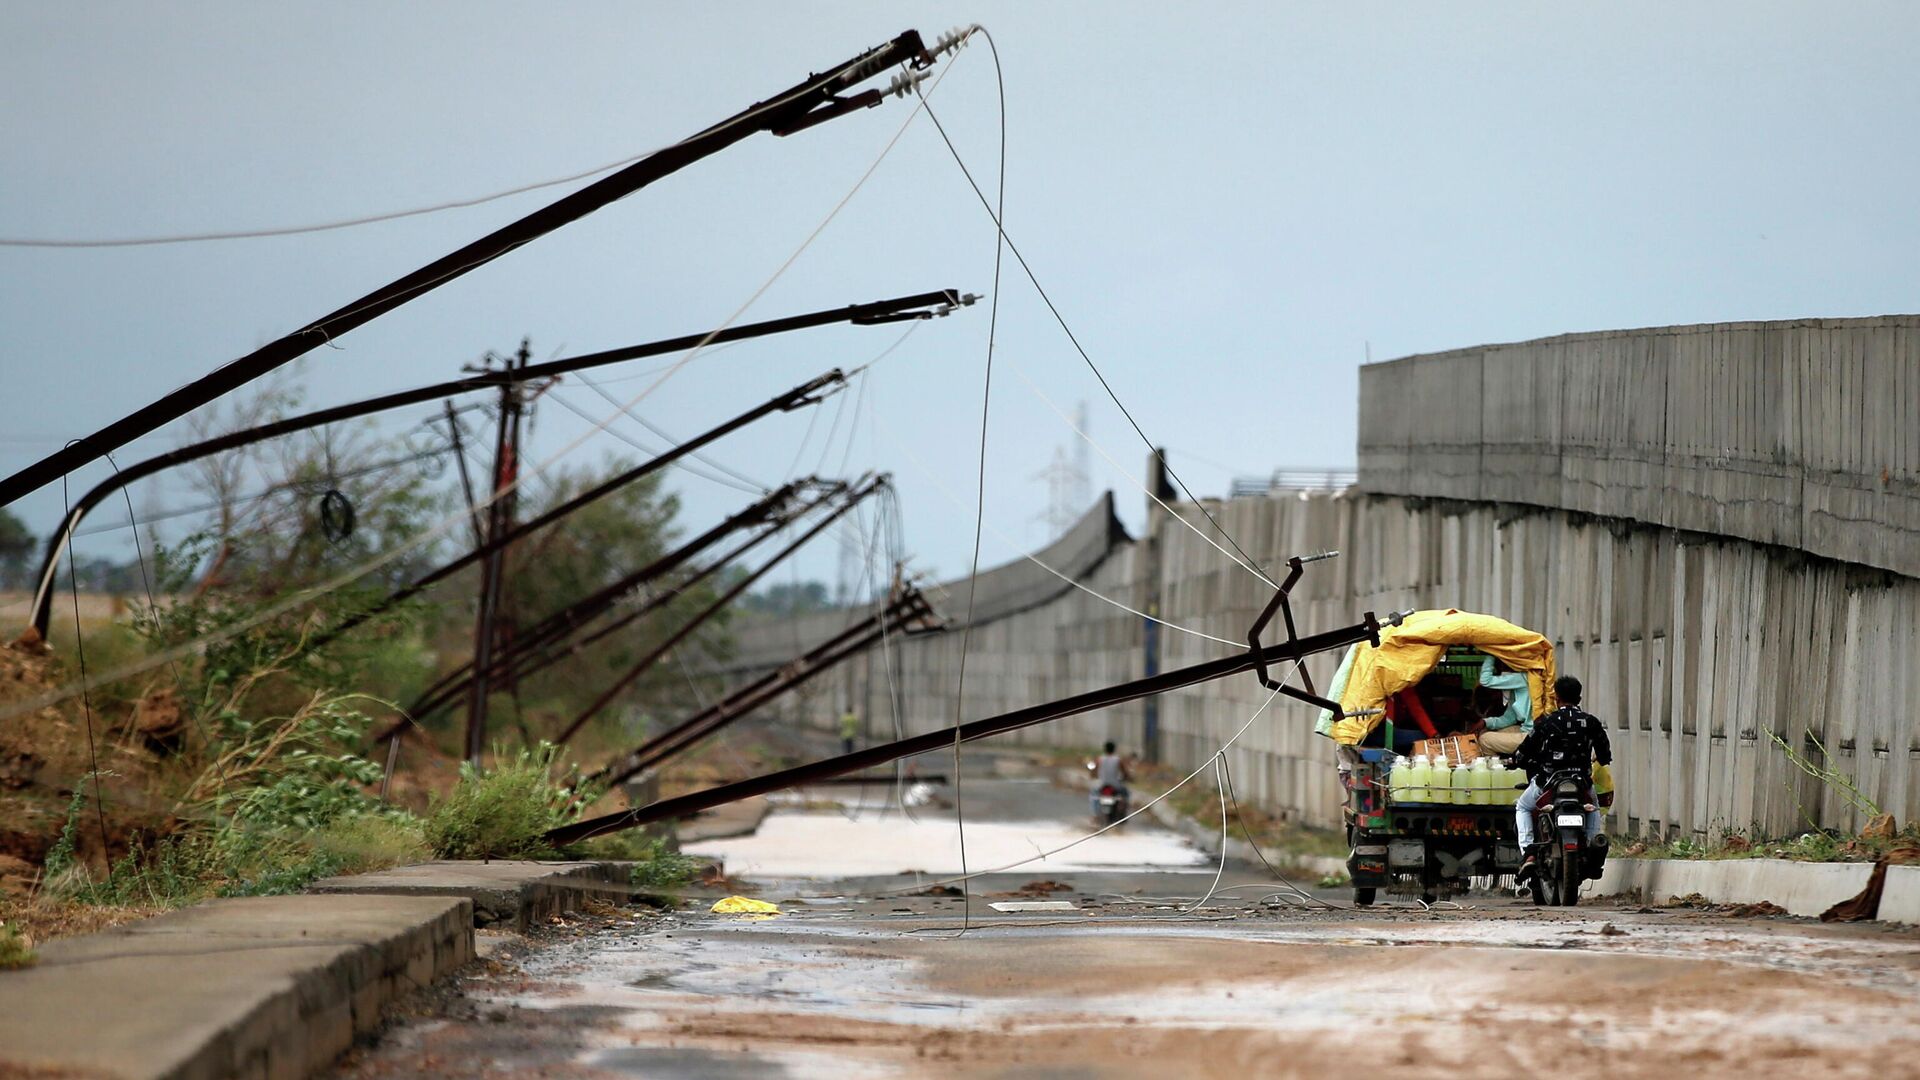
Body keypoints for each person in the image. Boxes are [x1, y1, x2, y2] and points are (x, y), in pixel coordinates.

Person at [1512, 676, 1612, 880]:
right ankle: (1593, 844)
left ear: (1556, 697)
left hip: (1548, 782)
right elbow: (1604, 755)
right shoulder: (1590, 722)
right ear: (1579, 697)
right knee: (1592, 805)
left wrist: (1517, 760)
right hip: (1581, 783)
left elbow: (1524, 752)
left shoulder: (1545, 722)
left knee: (1523, 807)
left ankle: (1528, 854)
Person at [1090, 740, 1130, 818]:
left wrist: (1093, 776)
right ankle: (1123, 812)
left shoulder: (1099, 759)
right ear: (1114, 749)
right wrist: (1127, 777)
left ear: (1105, 749)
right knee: (1126, 794)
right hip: (1115, 785)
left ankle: (1095, 815)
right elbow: (1125, 772)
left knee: (1094, 796)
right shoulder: (1118, 760)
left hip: (1102, 785)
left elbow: (1093, 771)